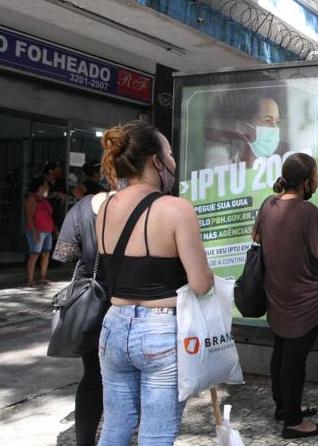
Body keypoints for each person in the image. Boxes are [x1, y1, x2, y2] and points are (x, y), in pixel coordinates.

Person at [95, 120, 213, 445]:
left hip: (113, 327)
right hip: (161, 330)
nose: (174, 162)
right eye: (170, 154)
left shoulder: (105, 207)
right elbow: (201, 284)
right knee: (157, 435)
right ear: (156, 161)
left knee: (115, 428)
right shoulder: (176, 209)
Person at [258, 153, 318, 439]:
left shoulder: (269, 204)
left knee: (281, 353)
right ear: (306, 183)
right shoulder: (307, 212)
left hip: (277, 294)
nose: (316, 182)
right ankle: (293, 421)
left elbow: (257, 238)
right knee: (294, 361)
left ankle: (283, 406)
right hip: (305, 301)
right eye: (315, 177)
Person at [52, 190, 114, 446]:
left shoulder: (82, 208)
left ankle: (85, 441)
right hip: (132, 299)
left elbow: (66, 255)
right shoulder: (136, 204)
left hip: (92, 305)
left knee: (94, 374)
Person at [205, 95, 282, 168]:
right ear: (242, 127)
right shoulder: (222, 168)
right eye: (267, 120)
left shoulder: (276, 168)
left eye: (277, 121)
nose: (275, 128)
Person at [24, 178, 55, 286]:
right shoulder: (32, 198)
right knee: (34, 254)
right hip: (37, 230)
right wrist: (34, 231)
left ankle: (42, 277)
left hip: (47, 230)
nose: (47, 188)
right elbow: (29, 216)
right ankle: (30, 279)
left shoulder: (43, 199)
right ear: (40, 187)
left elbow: (48, 216)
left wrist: (54, 229)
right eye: (46, 185)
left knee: (46, 254)